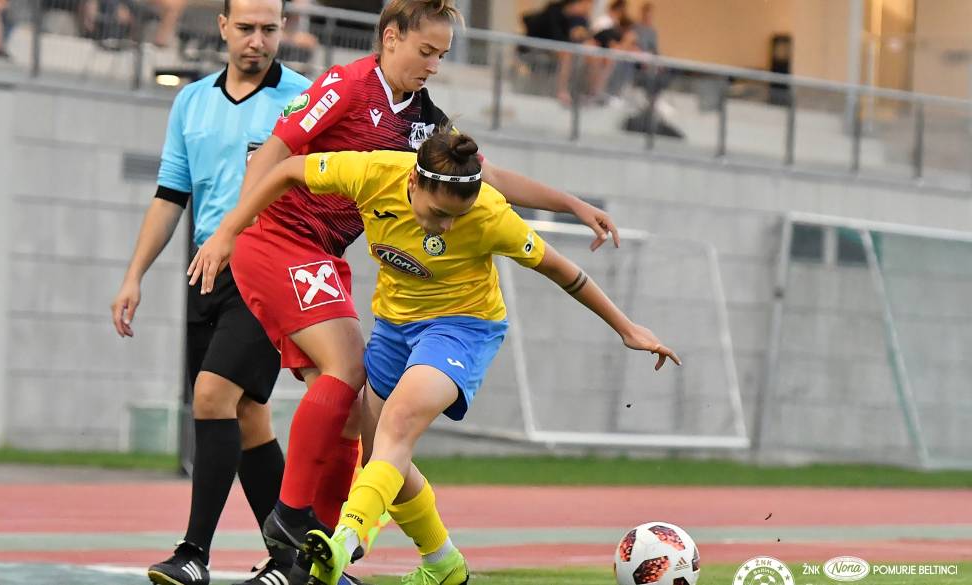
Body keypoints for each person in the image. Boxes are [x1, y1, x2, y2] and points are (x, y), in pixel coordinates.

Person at [190, 0, 620, 582]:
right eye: (426, 51)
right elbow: (274, 154)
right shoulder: (345, 85)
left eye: (442, 55)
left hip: (322, 253)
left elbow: (489, 176)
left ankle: (319, 559)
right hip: (280, 239)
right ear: (390, 38)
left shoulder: (425, 122)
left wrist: (570, 204)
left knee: (350, 411)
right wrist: (227, 232)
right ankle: (290, 521)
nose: (434, 65)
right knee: (345, 371)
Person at [188, 130, 681, 585]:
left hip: (463, 328)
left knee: (398, 423)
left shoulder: (490, 215)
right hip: (394, 327)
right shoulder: (372, 173)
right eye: (438, 212)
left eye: (456, 217)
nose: (445, 225)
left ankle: (344, 541)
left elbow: (563, 270)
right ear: (412, 182)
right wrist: (231, 229)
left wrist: (627, 328)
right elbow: (287, 169)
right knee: (384, 455)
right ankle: (444, 563)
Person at [107, 0, 335, 584]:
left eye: (269, 29)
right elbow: (170, 196)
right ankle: (296, 560)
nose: (257, 40)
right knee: (248, 416)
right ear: (223, 27)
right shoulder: (191, 100)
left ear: (284, 29)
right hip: (205, 270)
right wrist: (134, 275)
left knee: (211, 397)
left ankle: (194, 554)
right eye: (247, 28)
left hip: (270, 270)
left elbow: (329, 191)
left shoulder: (307, 99)